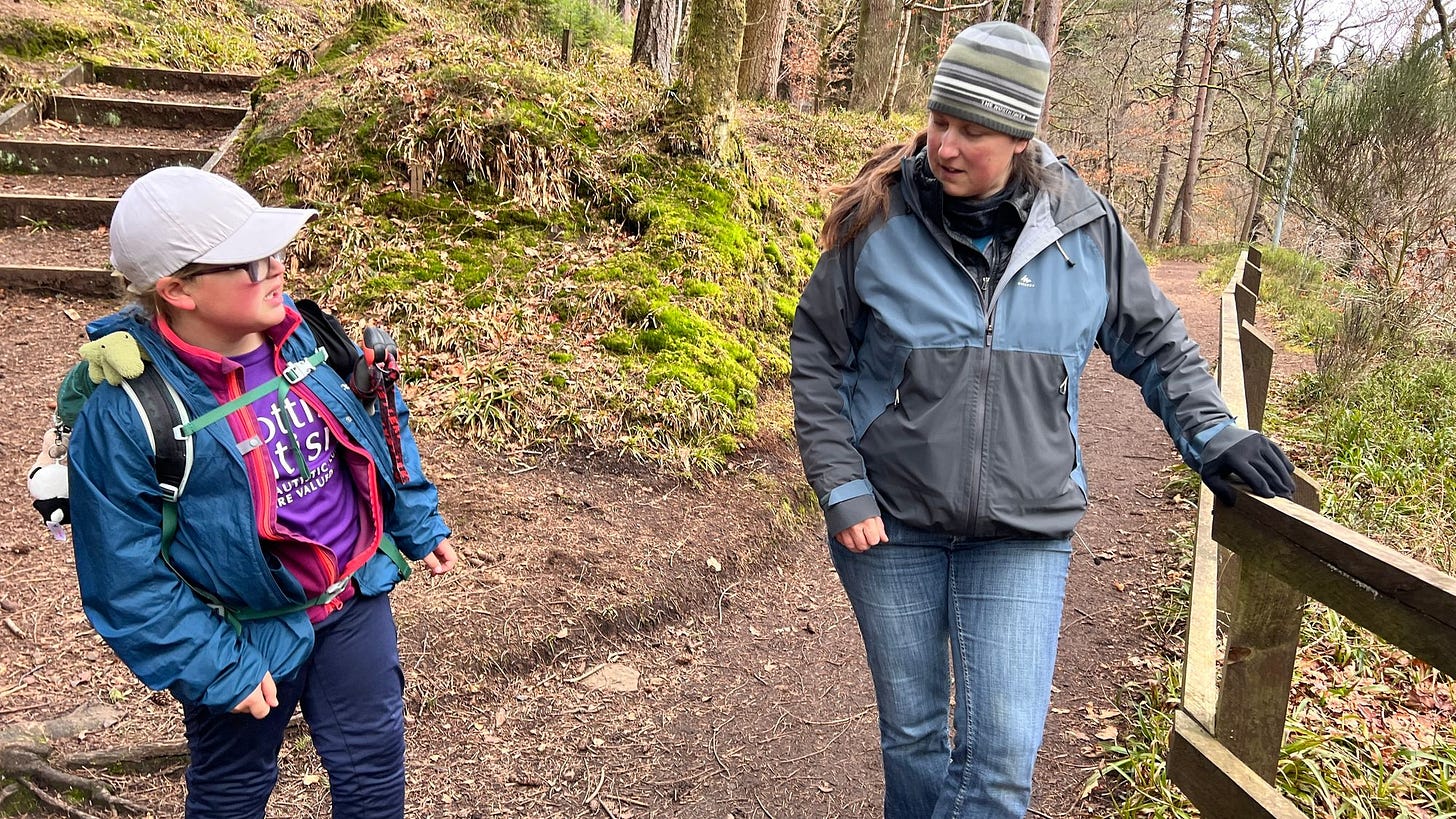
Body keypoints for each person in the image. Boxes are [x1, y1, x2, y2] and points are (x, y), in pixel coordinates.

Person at [789, 21, 1294, 819]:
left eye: (972, 131)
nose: (944, 146)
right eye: (939, 121)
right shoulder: (877, 219)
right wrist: (841, 484)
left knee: (1000, 765)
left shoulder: (1085, 230)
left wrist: (1215, 433)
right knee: (913, 734)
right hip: (887, 525)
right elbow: (818, 351)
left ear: (1022, 136)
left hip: (1025, 527)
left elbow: (1157, 343)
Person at [66, 166, 457, 819]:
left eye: (274, 251)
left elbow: (374, 420)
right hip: (237, 629)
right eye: (249, 262)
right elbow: (124, 577)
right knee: (233, 787)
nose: (276, 268)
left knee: (374, 764)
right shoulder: (128, 414)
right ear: (178, 290)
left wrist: (416, 516)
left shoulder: (301, 334)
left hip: (352, 597)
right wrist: (214, 664)